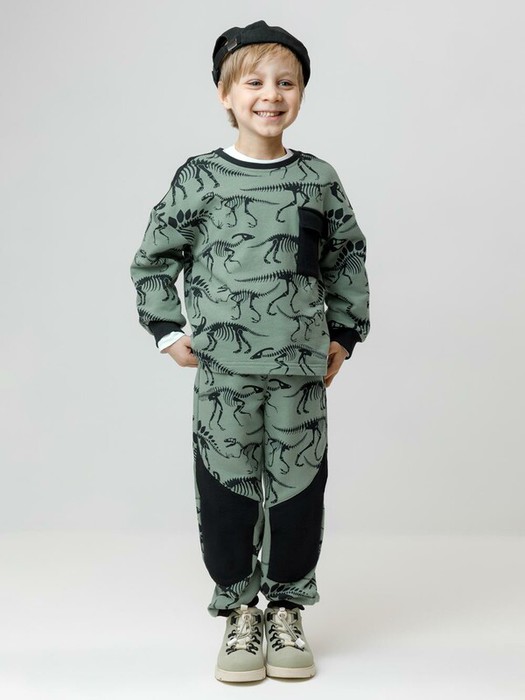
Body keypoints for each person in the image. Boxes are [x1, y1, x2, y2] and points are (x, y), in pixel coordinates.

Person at [130, 19, 371, 683]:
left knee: (299, 490)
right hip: (224, 377)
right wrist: (167, 330)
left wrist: (344, 333)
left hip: (299, 374)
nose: (271, 95)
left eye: (286, 83)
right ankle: (239, 611)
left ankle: (287, 608)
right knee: (226, 490)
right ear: (225, 94)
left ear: (301, 93)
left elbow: (345, 257)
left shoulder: (318, 178)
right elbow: (153, 258)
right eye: (254, 83)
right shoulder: (200, 177)